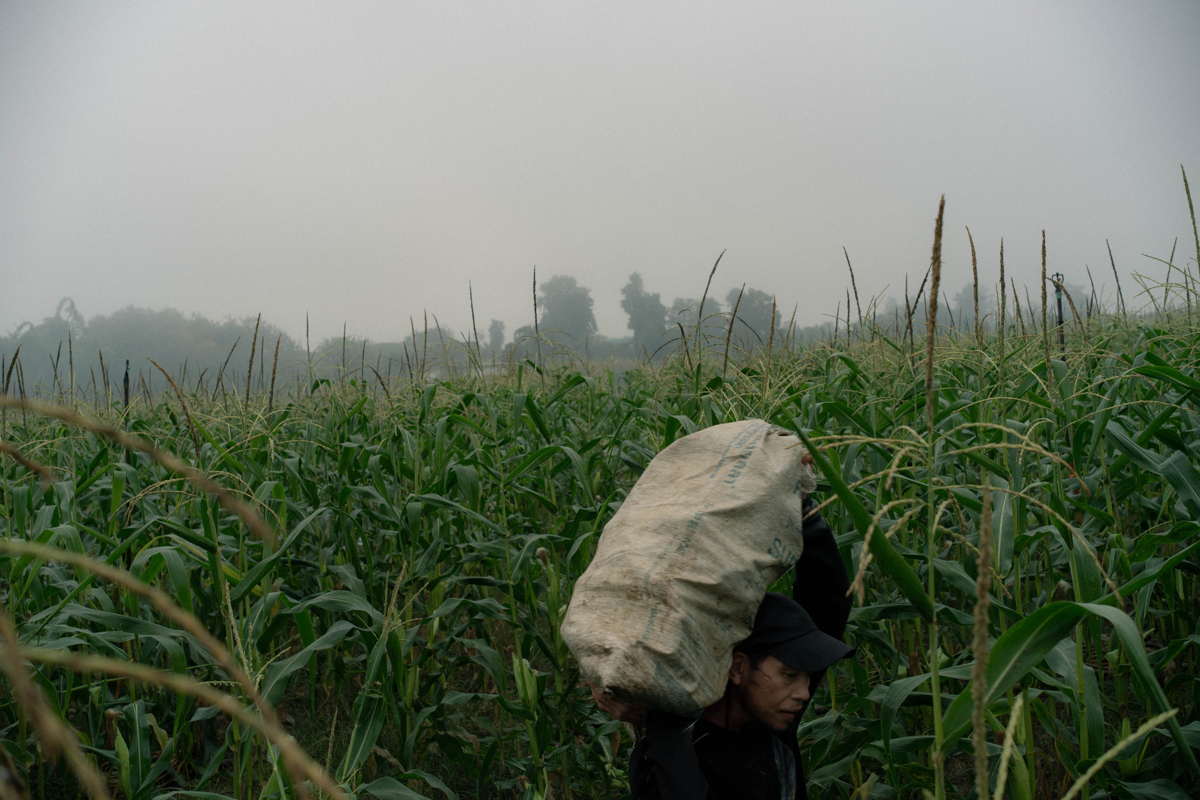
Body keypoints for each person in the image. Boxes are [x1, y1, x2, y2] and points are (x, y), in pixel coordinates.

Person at [592, 494, 853, 800]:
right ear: (738, 667)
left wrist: (803, 511)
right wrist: (657, 715)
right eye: (790, 674)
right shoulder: (670, 759)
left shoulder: (769, 716)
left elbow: (829, 601)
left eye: (807, 677)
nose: (805, 694)